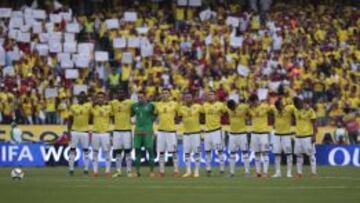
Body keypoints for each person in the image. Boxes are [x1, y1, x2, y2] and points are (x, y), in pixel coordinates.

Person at [202, 90, 228, 176]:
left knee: (219, 150)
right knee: (208, 151)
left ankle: (222, 169)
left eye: (212, 95)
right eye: (209, 95)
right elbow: (201, 114)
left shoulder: (220, 105)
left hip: (216, 131)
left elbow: (225, 112)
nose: (210, 96)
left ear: (215, 96)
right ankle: (208, 169)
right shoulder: (204, 105)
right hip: (207, 131)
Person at [155, 88, 180, 177]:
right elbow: (155, 116)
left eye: (166, 93)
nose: (165, 95)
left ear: (169, 95)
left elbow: (179, 115)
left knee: (174, 152)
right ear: (161, 95)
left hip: (171, 131)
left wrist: (176, 122)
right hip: (161, 131)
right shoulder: (158, 105)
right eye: (163, 93)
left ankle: (176, 170)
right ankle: (161, 171)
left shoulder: (175, 104)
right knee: (161, 152)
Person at [131, 91, 156, 177]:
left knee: (150, 151)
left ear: (145, 97)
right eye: (139, 97)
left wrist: (151, 121)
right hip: (138, 131)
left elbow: (155, 114)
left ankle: (152, 171)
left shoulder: (151, 105)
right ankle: (137, 172)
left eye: (142, 97)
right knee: (137, 152)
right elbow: (130, 114)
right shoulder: (134, 106)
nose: (140, 99)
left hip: (148, 131)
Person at [178, 91, 202, 178]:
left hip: (195, 133)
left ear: (192, 98)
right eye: (186, 97)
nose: (188, 99)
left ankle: (196, 171)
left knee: (197, 152)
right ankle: (188, 171)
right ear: (184, 99)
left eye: (189, 97)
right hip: (186, 134)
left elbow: (203, 115)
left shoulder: (198, 106)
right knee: (186, 153)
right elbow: (178, 118)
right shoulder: (182, 108)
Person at [111, 90, 134, 178]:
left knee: (128, 152)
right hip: (117, 130)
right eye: (118, 93)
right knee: (118, 152)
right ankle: (118, 171)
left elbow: (135, 109)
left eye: (122, 93)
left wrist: (131, 117)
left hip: (127, 130)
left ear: (125, 94)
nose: (120, 94)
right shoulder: (113, 103)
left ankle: (129, 171)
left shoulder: (129, 102)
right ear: (116, 94)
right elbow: (111, 113)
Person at [67, 92, 92, 176]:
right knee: (72, 150)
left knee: (86, 151)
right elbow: (70, 119)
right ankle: (71, 169)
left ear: (85, 98)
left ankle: (86, 170)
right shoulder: (73, 107)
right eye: (80, 97)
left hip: (85, 131)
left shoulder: (89, 106)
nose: (81, 98)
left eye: (83, 97)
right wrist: (68, 131)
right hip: (74, 131)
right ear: (77, 98)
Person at [248, 94, 272, 178]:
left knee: (265, 153)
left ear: (257, 100)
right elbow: (248, 114)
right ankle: (258, 172)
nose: (253, 104)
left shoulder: (265, 106)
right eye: (251, 102)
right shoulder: (250, 108)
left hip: (263, 133)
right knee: (257, 153)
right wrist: (249, 105)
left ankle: (265, 172)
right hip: (254, 133)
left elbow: (272, 110)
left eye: (253, 102)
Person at [293, 97, 317, 178]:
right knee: (299, 155)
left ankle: (313, 173)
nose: (296, 106)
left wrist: (314, 135)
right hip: (298, 137)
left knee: (311, 155)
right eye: (295, 105)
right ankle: (299, 173)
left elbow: (314, 124)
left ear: (301, 102)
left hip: (308, 136)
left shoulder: (309, 110)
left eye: (298, 104)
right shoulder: (295, 110)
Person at [271, 98, 295, 178]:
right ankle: (278, 172)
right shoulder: (274, 109)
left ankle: (289, 172)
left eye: (281, 105)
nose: (280, 107)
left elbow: (297, 108)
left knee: (289, 154)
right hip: (277, 135)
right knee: (277, 154)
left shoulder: (289, 108)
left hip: (286, 135)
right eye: (278, 106)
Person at [226, 99, 250, 177]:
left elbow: (249, 105)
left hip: (242, 134)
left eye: (232, 107)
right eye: (230, 108)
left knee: (245, 153)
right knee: (232, 153)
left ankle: (247, 172)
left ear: (235, 105)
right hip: (232, 134)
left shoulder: (242, 107)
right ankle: (232, 172)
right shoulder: (229, 109)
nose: (231, 109)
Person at [91, 91, 112, 177]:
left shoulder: (108, 107)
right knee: (95, 153)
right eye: (98, 97)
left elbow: (110, 113)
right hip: (95, 133)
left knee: (106, 152)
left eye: (102, 97)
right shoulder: (93, 107)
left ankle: (107, 171)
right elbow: (90, 107)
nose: (100, 99)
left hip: (105, 133)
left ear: (104, 99)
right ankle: (95, 171)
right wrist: (93, 102)